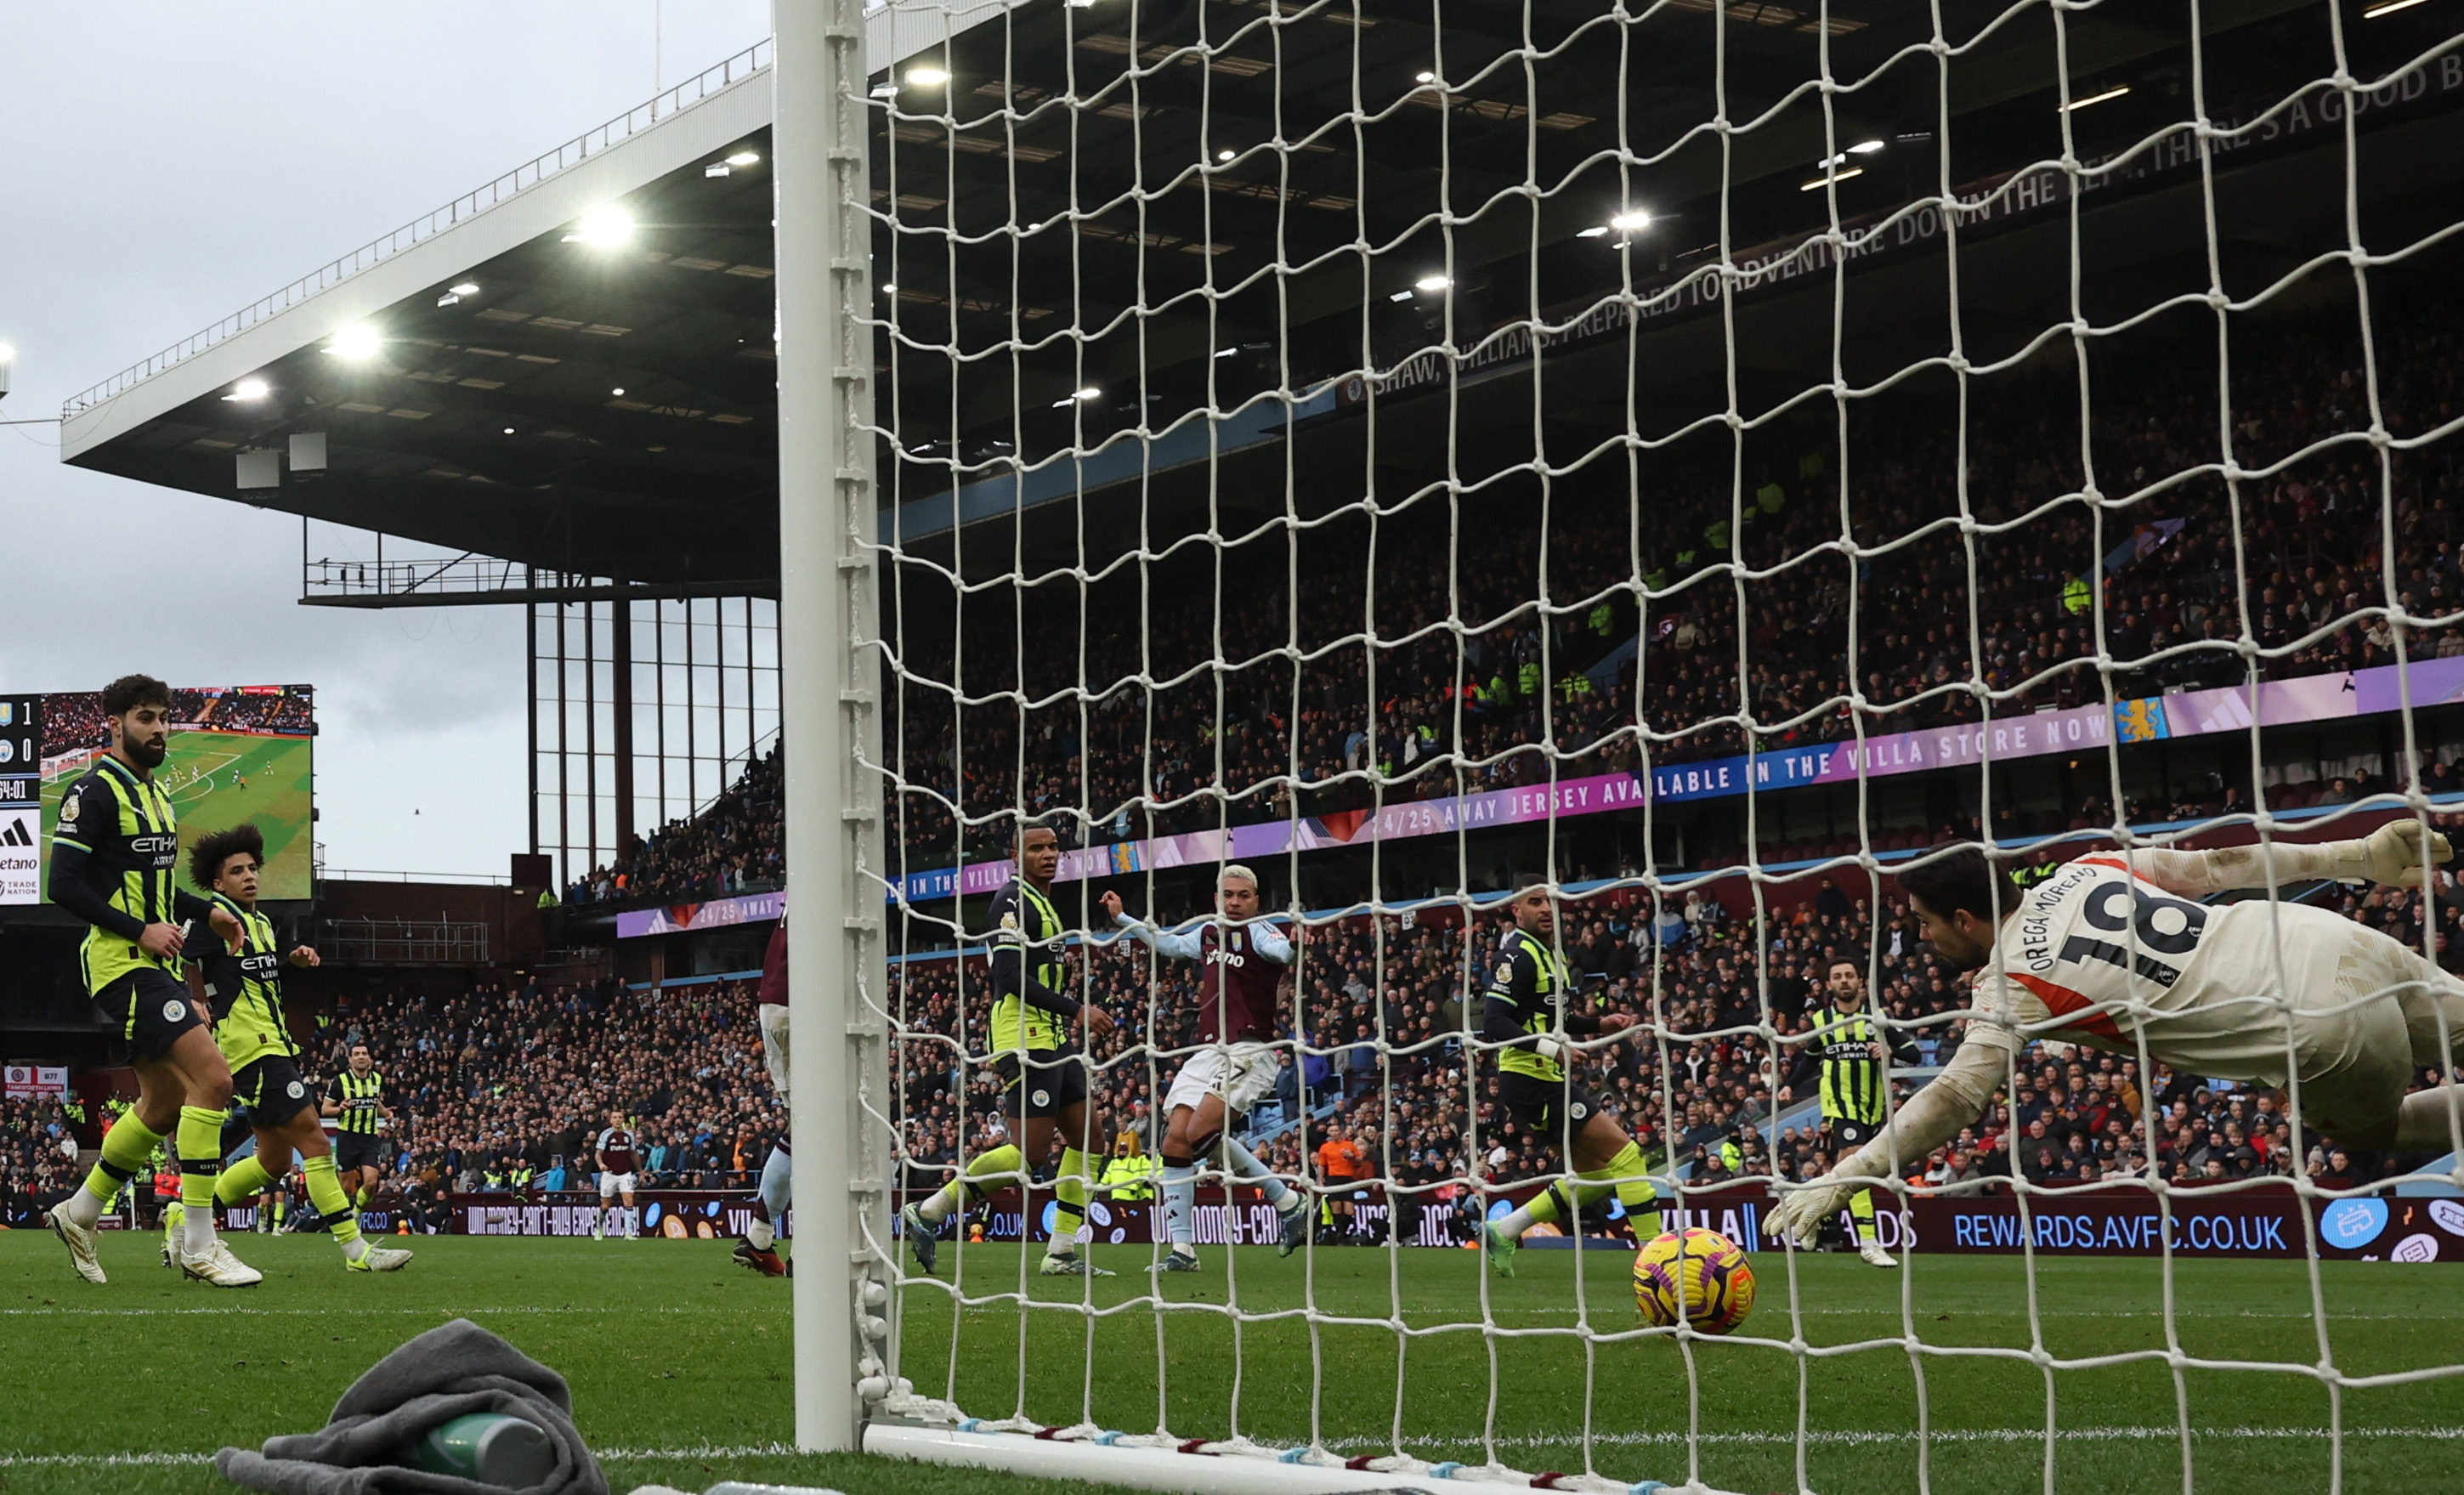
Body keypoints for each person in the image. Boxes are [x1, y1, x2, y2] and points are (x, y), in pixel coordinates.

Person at [1768, 827, 2464, 1245]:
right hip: (2319, 937)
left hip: (2313, 1026)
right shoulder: (2085, 868)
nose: (1922, 936)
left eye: (1925, 922)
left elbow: (1954, 1094)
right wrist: (2357, 854)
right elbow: (2221, 867)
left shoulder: (2010, 980)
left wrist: (1843, 1175)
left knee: (2376, 1130)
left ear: (1963, 917)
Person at [41, 675, 254, 1287]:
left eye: (163, 717)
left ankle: (80, 1211)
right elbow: (65, 885)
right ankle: (198, 1243)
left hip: (152, 962)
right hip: (122, 963)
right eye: (144, 717)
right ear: (114, 723)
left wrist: (204, 909)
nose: (159, 728)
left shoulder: (156, 793)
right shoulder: (95, 791)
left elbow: (156, 886)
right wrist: (140, 930)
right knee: (213, 1080)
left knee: (162, 1104)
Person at [184, 824, 410, 1272]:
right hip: (253, 1048)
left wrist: (292, 960)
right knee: (314, 1141)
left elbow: (255, 974)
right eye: (237, 871)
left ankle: (187, 1215)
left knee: (271, 1161)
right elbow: (184, 954)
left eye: (252, 868)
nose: (250, 876)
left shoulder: (262, 923)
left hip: (275, 1044)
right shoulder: (215, 919)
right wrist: (193, 996)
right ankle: (356, 1251)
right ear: (217, 883)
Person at [903, 821, 1118, 1277]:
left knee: (1092, 1140)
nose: (1048, 854)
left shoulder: (1042, 902)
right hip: (1023, 1036)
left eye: (1054, 846)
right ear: (1016, 857)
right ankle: (928, 1213)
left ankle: (1061, 1252)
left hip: (1052, 1036)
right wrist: (1076, 1009)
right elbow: (1008, 978)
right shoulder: (1013, 901)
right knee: (1030, 1155)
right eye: (1036, 848)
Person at [1101, 865, 1311, 1271]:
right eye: (1228, 894)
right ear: (1217, 899)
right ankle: (1184, 1252)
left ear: (1256, 900)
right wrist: (1122, 919)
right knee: (1174, 1143)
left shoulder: (1262, 933)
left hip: (1250, 1050)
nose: (1234, 902)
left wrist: (1297, 945)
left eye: (1243, 895)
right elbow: (1169, 944)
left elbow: (1284, 953)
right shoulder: (1209, 932)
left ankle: (1287, 1200)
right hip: (1209, 1051)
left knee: (1198, 1133)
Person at [1479, 875, 1662, 1278]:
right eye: (1535, 902)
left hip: (1545, 1077)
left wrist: (1599, 1023)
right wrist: (1551, 1048)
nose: (1546, 909)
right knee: (1627, 1155)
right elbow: (1494, 1021)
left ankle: (1504, 1229)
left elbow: (1557, 1019)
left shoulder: (1553, 956)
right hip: (1529, 1078)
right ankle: (1658, 1263)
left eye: (1550, 901)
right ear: (1517, 911)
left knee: (1596, 1176)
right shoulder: (1516, 956)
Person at [1776, 957, 1921, 1268]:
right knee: (1859, 1169)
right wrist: (1790, 1085)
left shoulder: (1877, 1018)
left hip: (1873, 1110)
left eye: (1849, 975)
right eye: (1838, 976)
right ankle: (1869, 1243)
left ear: (1860, 982)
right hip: (1840, 1106)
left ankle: (1810, 1212)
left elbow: (1914, 1053)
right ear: (1829, 984)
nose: (1844, 980)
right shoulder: (1823, 1020)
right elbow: (1811, 1058)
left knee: (1845, 1173)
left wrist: (1890, 1051)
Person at [734, 915, 794, 1277]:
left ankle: (757, 1238)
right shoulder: (830, 874)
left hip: (775, 1001)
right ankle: (807, 1252)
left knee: (802, 1127)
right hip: (799, 1005)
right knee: (822, 1129)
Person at [323, 1042, 393, 1211]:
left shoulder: (377, 1079)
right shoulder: (341, 1081)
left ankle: (357, 1212)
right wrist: (340, 1109)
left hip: (369, 1138)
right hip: (348, 1137)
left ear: (370, 1059)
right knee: (346, 1188)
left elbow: (374, 1101)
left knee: (371, 1182)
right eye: (357, 1054)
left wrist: (386, 1114)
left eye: (364, 1053)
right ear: (350, 1059)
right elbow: (325, 1109)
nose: (361, 1057)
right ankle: (343, 1220)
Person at [593, 1108, 640, 1241]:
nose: (618, 1120)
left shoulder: (629, 1135)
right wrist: (601, 1165)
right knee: (605, 1205)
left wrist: (640, 1171)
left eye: (620, 1117)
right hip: (609, 1174)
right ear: (611, 1120)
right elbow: (598, 1154)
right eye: (615, 1117)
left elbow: (634, 1154)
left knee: (629, 1200)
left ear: (623, 1119)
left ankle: (628, 1233)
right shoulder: (605, 1135)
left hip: (625, 1173)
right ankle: (599, 1229)